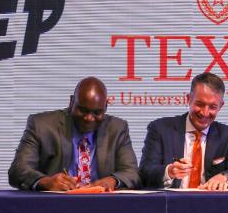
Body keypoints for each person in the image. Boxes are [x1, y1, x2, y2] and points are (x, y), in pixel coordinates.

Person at [8, 77, 140, 191]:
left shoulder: (117, 129)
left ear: (105, 107)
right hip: (54, 206)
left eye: (97, 113)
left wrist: (113, 180)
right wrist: (45, 182)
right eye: (83, 110)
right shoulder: (41, 125)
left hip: (102, 205)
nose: (89, 118)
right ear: (71, 102)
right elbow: (17, 170)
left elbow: (132, 172)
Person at [139, 72, 228, 190]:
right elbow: (145, 171)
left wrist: (224, 177)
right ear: (188, 99)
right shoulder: (160, 129)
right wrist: (169, 171)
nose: (205, 113)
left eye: (212, 107)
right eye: (200, 104)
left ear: (220, 106)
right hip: (169, 204)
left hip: (211, 204)